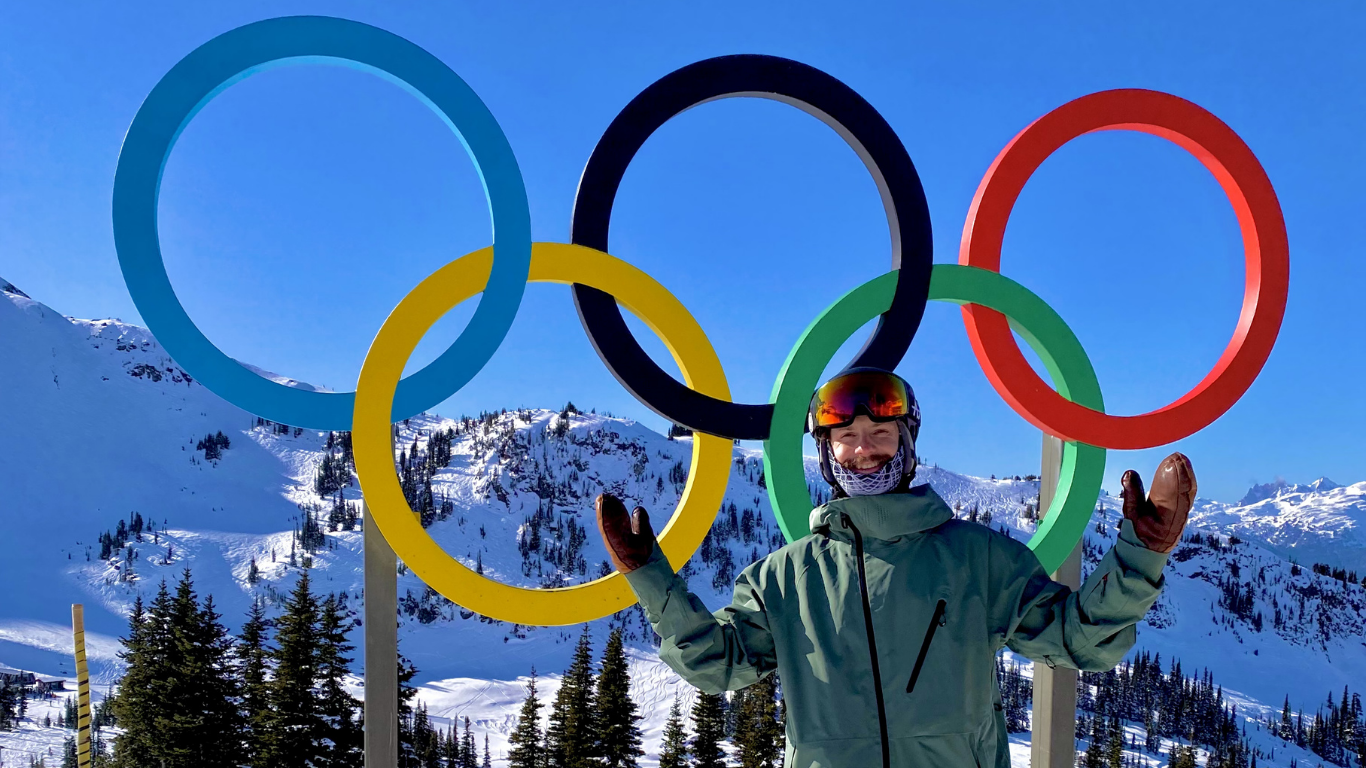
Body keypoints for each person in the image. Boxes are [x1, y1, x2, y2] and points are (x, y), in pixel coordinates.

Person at [595, 366, 1196, 768]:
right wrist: (649, 574)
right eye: (846, 438)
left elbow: (1079, 640)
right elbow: (716, 666)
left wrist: (1140, 554)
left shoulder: (976, 560)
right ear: (825, 454)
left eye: (879, 433)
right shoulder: (784, 578)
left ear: (907, 441)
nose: (863, 450)